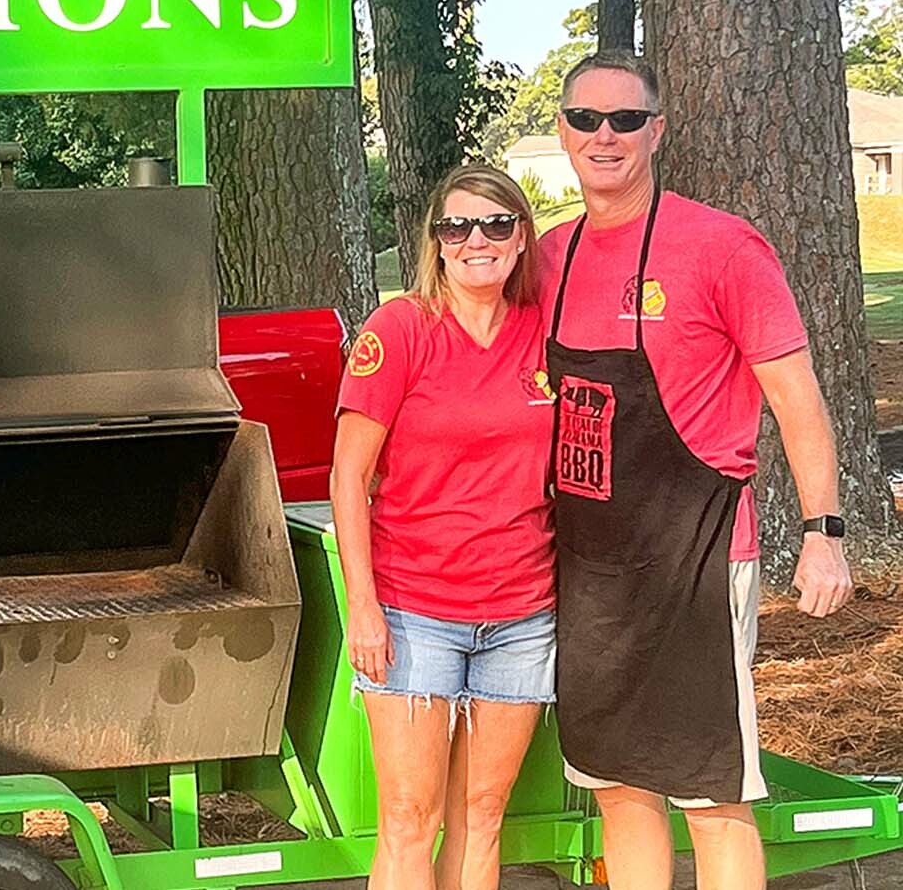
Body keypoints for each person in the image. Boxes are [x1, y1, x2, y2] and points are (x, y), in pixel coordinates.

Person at [541, 49, 855, 890]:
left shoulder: (721, 245)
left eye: (626, 120)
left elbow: (797, 397)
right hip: (591, 569)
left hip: (699, 559)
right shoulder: (548, 255)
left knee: (710, 790)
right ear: (563, 131)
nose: (604, 137)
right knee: (618, 784)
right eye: (585, 119)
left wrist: (824, 532)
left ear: (657, 131)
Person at [331, 164, 556, 890]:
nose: (476, 240)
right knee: (407, 816)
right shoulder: (399, 329)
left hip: (523, 611)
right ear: (434, 242)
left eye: (495, 224)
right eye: (456, 226)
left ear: (522, 237)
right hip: (412, 609)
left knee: (483, 812)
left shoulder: (547, 331)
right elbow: (346, 477)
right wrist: (361, 605)